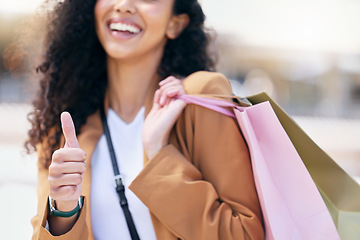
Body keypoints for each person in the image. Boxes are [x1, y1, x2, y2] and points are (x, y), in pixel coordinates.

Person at [26, 0, 264, 239]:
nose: (124, 5)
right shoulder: (66, 121)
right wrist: (64, 210)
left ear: (175, 23)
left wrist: (159, 153)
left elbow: (244, 233)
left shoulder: (198, 98)